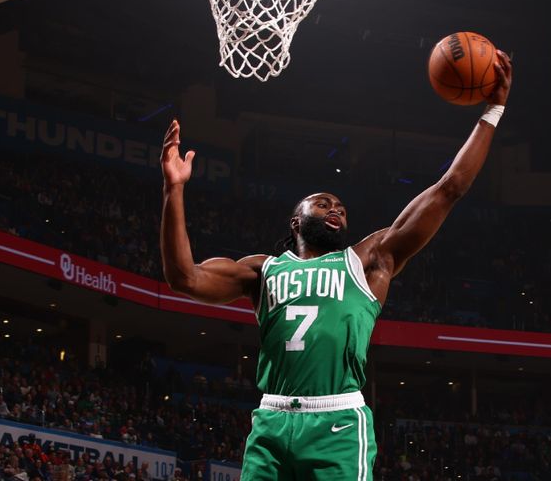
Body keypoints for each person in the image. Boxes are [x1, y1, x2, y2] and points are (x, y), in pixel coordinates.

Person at [160, 52, 513, 480]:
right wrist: (173, 190)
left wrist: (493, 110)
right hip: (271, 421)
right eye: (323, 203)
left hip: (337, 422)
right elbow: (183, 277)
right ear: (296, 221)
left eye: (342, 207)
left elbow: (449, 189)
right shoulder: (262, 270)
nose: (336, 209)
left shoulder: (368, 260)